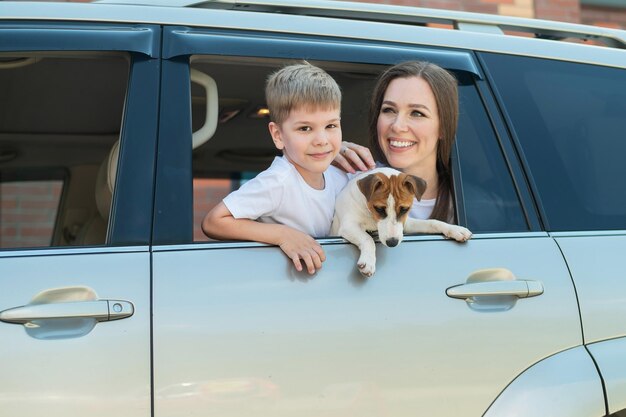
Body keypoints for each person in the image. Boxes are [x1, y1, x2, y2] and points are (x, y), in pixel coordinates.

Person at [202, 61, 347, 275]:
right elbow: (214, 222)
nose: (322, 140)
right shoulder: (278, 181)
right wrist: (283, 235)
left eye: (331, 126)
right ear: (278, 135)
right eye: (305, 128)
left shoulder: (340, 177)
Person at [334, 60, 458, 222]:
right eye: (389, 110)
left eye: (417, 113)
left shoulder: (474, 204)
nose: (397, 126)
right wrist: (321, 160)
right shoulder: (349, 182)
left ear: (443, 126)